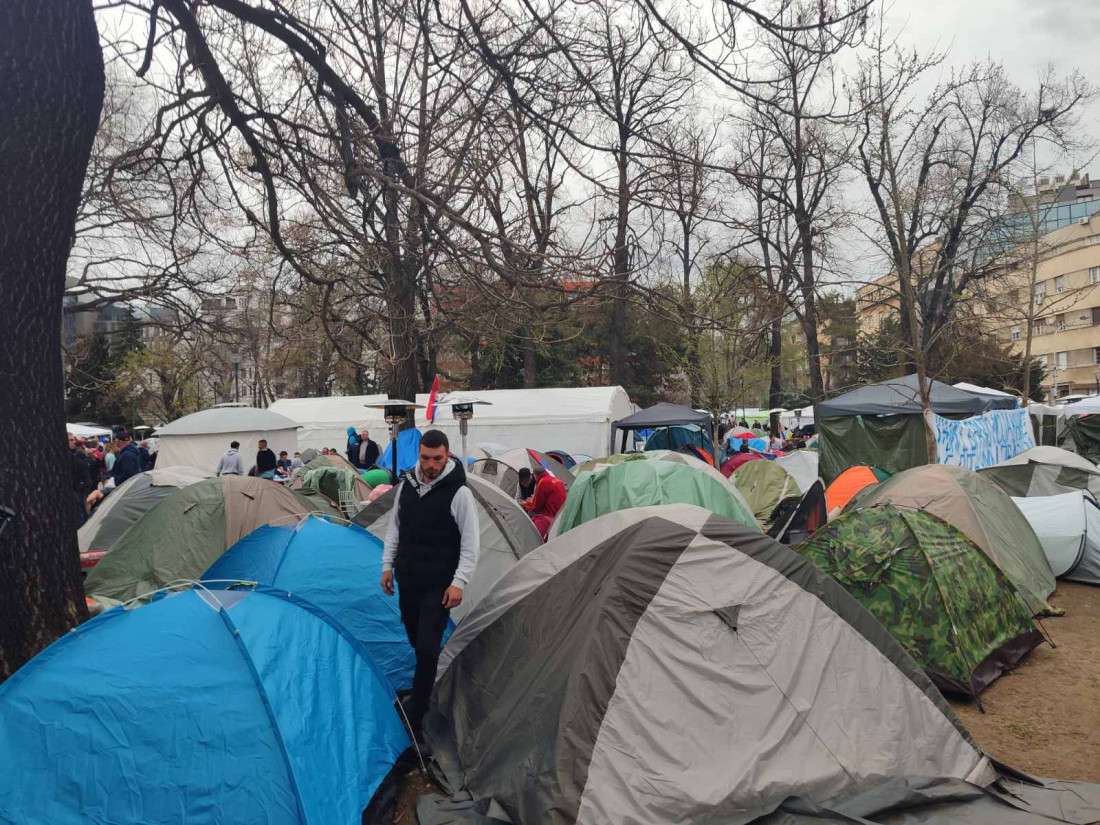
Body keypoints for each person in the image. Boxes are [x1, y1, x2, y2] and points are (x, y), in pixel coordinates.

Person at [381, 429, 480, 743]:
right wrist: (387, 565)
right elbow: (395, 526)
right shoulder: (407, 485)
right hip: (409, 578)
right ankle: (427, 682)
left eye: (437, 458)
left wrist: (459, 582)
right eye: (425, 457)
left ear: (447, 456)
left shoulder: (459, 493)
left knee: (426, 648)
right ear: (419, 455)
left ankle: (417, 714)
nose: (431, 464)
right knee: (416, 638)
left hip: (439, 583)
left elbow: (471, 544)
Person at [521, 464, 567, 541]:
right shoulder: (557, 480)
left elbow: (536, 507)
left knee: (532, 514)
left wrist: (524, 505)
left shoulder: (542, 482)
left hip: (551, 516)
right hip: (561, 513)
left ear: (534, 475)